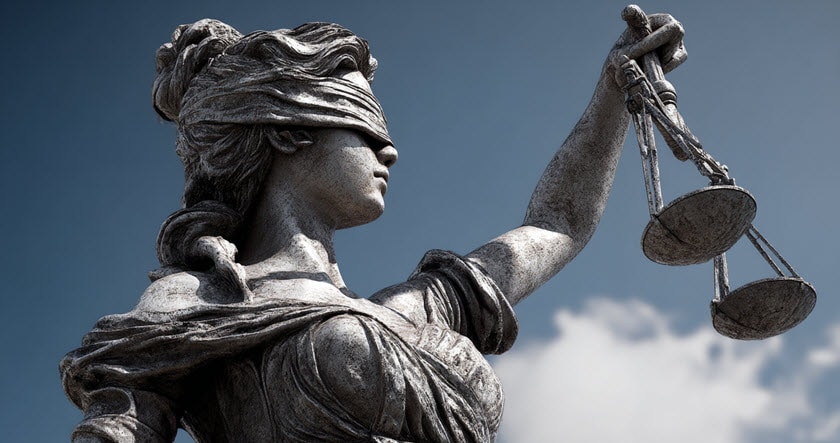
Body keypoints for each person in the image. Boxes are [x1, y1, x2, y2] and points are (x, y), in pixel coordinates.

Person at [61, 8, 686, 443]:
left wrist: (614, 91)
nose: (389, 152)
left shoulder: (413, 312)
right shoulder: (198, 301)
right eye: (366, 129)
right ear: (285, 130)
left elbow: (559, 224)